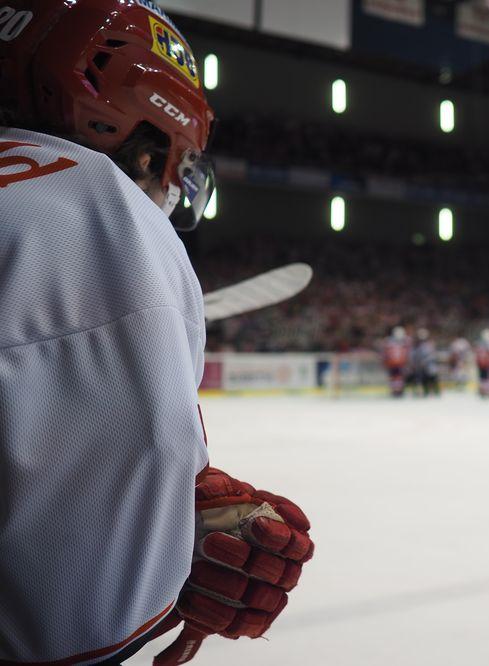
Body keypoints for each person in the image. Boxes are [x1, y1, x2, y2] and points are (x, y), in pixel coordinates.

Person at [0, 3, 313, 664]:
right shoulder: (97, 211)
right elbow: (70, 619)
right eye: (176, 158)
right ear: (143, 129)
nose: (171, 184)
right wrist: (166, 544)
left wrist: (164, 493)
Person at [382, 326, 410, 398]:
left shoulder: (405, 342)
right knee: (395, 378)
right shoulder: (389, 343)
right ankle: (395, 390)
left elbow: (407, 353)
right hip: (393, 363)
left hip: (400, 363)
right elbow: (386, 354)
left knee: (399, 378)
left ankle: (398, 390)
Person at [413, 328, 441, 397]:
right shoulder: (417, 346)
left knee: (433, 380)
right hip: (422, 368)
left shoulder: (430, 345)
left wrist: (425, 361)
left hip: (430, 367)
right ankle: (426, 392)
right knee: (424, 382)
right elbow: (415, 356)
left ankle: (436, 393)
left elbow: (434, 355)